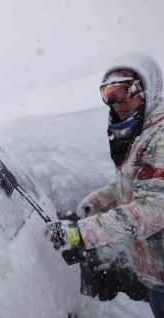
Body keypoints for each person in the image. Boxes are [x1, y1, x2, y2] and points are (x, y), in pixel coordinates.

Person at [43, 51, 164, 318]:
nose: (116, 103)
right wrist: (98, 202)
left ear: (150, 89)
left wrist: (80, 233)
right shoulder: (142, 133)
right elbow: (135, 181)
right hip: (156, 274)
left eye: (125, 92)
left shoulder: (160, 138)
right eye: (109, 94)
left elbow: (152, 209)